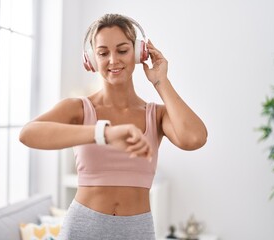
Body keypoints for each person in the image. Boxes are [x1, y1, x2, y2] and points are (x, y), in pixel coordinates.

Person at [19, 13, 207, 240]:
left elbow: (195, 138)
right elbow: (27, 134)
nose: (113, 60)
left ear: (139, 53)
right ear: (91, 59)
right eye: (103, 53)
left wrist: (161, 81)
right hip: (82, 228)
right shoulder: (78, 108)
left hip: (137, 231)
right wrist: (103, 133)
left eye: (122, 50)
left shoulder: (156, 114)